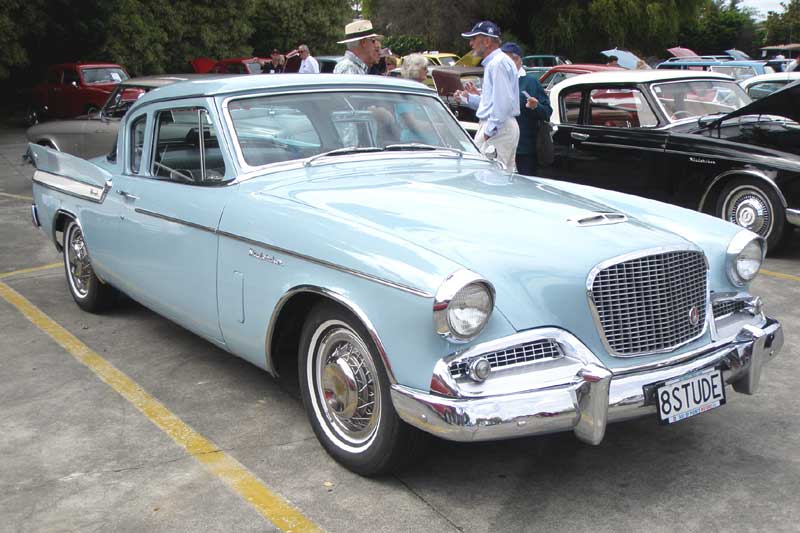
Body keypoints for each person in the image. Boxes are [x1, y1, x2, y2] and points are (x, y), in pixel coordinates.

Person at [453, 21, 520, 171]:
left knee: (488, 177)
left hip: (498, 127)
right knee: (503, 177)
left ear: (487, 41)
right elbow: (494, 101)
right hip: (503, 126)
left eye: (474, 39)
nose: (471, 44)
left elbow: (502, 102)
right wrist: (468, 99)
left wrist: (490, 131)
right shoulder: (500, 62)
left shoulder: (497, 64)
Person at [500, 42, 552, 175]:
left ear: (518, 60)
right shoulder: (499, 81)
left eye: (509, 60)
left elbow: (547, 112)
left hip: (524, 149)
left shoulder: (530, 82)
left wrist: (536, 107)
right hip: (501, 147)